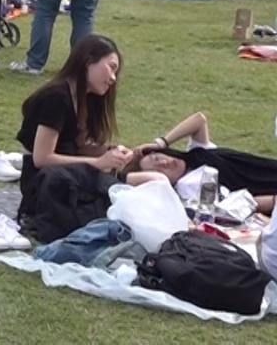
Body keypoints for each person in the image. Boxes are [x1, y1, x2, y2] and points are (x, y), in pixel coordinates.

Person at [16, 35, 137, 229]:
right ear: (89, 61)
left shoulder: (83, 98)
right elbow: (42, 157)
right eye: (111, 67)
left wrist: (111, 152)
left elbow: (76, 145)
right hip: (45, 185)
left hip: (67, 178)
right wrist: (97, 163)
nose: (113, 79)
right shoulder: (57, 97)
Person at [129, 111, 277, 214]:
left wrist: (162, 142)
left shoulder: (196, 153)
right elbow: (246, 203)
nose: (164, 163)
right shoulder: (190, 189)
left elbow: (199, 120)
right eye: (158, 171)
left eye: (156, 158)